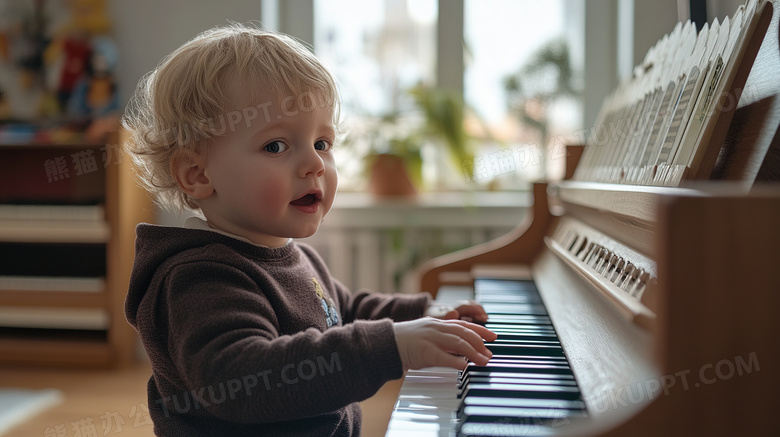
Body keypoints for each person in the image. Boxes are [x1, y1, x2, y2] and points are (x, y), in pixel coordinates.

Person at [122, 23, 496, 436]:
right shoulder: (199, 277)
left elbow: (344, 312)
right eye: (276, 146)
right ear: (196, 174)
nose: (315, 164)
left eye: (322, 143)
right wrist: (393, 345)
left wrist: (420, 314)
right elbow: (242, 380)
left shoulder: (291, 255)